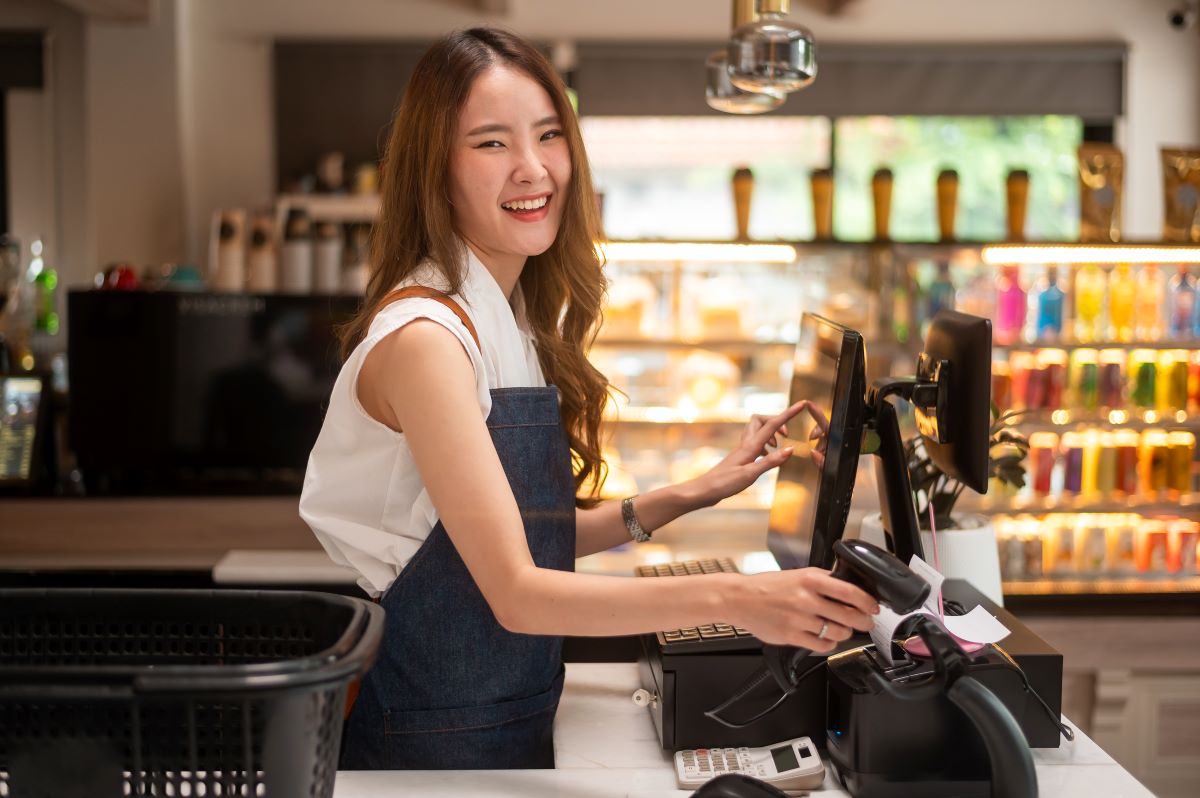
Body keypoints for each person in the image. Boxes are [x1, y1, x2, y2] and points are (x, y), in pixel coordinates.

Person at [299, 27, 879, 771]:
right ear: (433, 169)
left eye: (548, 135)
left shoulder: (505, 319)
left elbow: (520, 540)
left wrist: (690, 494)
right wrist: (740, 599)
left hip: (503, 713)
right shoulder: (427, 342)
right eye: (490, 144)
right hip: (430, 742)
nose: (533, 168)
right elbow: (516, 592)